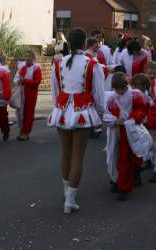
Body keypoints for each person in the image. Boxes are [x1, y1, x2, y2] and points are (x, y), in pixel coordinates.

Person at [48, 28, 105, 213]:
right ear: (84, 43)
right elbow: (98, 95)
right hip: (83, 110)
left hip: (63, 110)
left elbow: (55, 92)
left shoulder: (58, 63)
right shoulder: (92, 64)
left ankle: (68, 195)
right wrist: (102, 115)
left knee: (65, 153)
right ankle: (70, 200)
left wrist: (59, 108)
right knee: (78, 157)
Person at [105, 72, 147, 201]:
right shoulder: (111, 97)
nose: (119, 91)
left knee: (125, 158)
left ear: (126, 85)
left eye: (121, 88)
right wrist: (113, 121)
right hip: (115, 131)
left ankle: (123, 186)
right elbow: (105, 114)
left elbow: (142, 109)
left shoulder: (135, 94)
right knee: (112, 156)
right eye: (117, 89)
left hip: (129, 131)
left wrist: (132, 119)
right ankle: (116, 179)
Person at [14, 50, 42, 141]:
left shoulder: (36, 68)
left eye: (29, 56)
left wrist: (24, 81)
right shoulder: (22, 67)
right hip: (22, 93)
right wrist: (18, 81)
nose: (27, 58)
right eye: (26, 56)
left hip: (31, 94)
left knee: (29, 113)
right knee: (20, 113)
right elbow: (16, 78)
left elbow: (36, 82)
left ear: (33, 58)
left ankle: (26, 132)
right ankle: (22, 129)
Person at [145, 62, 156, 182]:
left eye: (154, 73)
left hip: (153, 117)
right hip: (147, 118)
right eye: (150, 73)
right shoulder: (144, 85)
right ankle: (149, 161)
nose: (152, 75)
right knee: (149, 142)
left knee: (154, 144)